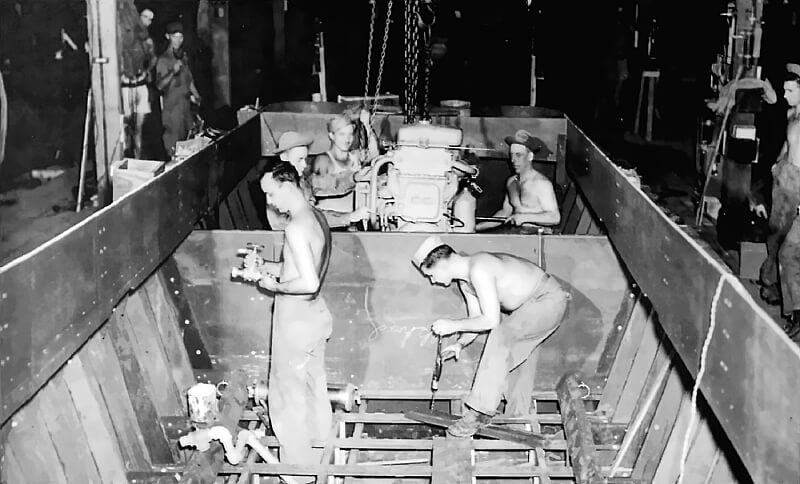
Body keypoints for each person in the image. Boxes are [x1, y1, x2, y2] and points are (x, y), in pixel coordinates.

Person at [412, 236, 569, 437]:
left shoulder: (479, 268)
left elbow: (490, 321)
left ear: (442, 264)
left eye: (431, 274)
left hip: (547, 299)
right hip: (529, 308)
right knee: (516, 358)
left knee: (502, 337)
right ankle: (518, 419)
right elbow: (476, 320)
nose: (433, 281)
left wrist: (452, 325)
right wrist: (460, 343)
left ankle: (479, 413)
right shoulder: (466, 283)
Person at [255, 161, 334, 478]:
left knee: (288, 399)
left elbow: (307, 282)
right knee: (314, 389)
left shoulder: (295, 227)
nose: (270, 202)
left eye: (271, 194)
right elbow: (300, 268)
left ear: (286, 186)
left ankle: (297, 475)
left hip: (296, 321)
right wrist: (265, 267)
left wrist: (273, 286)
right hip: (316, 316)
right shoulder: (315, 217)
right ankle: (322, 455)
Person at [757, 64, 800, 339]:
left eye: (790, 90)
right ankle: (775, 289)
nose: (785, 95)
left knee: (790, 248)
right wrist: (777, 163)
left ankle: (793, 307)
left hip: (797, 183)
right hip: (784, 178)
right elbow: (788, 142)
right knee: (775, 236)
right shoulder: (791, 113)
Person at [266, 131, 369, 230]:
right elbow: (306, 219)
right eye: (299, 159)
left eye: (305, 159)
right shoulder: (278, 188)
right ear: (284, 157)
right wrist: (348, 217)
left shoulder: (301, 180)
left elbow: (329, 183)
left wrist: (354, 177)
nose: (304, 165)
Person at [476, 130, 560, 231]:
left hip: (538, 236)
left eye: (518, 155)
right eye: (511, 155)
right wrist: (476, 228)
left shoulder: (541, 183)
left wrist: (523, 218)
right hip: (517, 234)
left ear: (530, 156)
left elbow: (555, 217)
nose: (513, 160)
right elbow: (505, 213)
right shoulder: (511, 182)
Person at [310, 109, 378, 214]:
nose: (347, 139)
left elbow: (374, 153)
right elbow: (320, 189)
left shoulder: (355, 156)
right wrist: (353, 177)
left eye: (350, 134)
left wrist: (367, 126)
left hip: (354, 216)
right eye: (342, 134)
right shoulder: (323, 160)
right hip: (331, 218)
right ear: (331, 136)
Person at [156, 21, 201, 158]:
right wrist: (172, 72)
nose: (178, 40)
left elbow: (189, 79)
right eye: (175, 37)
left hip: (185, 105)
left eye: (180, 37)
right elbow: (159, 85)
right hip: (172, 107)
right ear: (168, 37)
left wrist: (196, 95)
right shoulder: (163, 60)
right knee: (173, 144)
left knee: (190, 141)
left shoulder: (183, 56)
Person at [120, 4, 156, 158]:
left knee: (138, 129)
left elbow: (153, 58)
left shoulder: (147, 41)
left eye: (150, 19)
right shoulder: (123, 37)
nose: (146, 21)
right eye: (144, 17)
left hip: (140, 85)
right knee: (125, 126)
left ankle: (138, 158)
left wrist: (147, 71)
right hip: (125, 86)